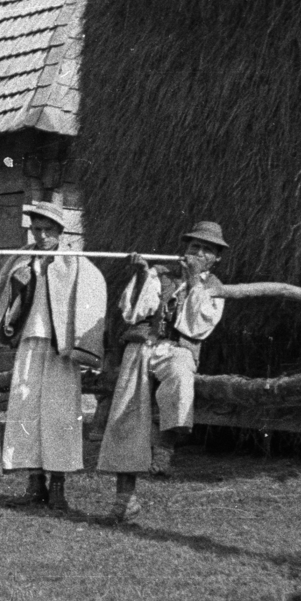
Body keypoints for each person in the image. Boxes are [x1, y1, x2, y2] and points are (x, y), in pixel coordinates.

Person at [0, 200, 107, 511]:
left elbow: (94, 291)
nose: (42, 235)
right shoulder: (23, 259)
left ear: (60, 231)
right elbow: (0, 291)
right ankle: (35, 484)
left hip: (61, 349)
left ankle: (58, 486)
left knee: (58, 414)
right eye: (37, 229)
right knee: (24, 409)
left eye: (48, 230)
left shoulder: (74, 262)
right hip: (29, 344)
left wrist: (84, 343)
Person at [96, 220, 229, 523]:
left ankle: (165, 445)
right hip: (142, 345)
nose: (198, 253)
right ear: (185, 248)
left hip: (177, 349)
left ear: (215, 258)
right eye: (194, 246)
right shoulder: (160, 273)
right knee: (126, 416)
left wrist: (195, 281)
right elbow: (133, 312)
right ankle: (124, 500)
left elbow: (198, 326)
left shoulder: (215, 288)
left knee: (181, 378)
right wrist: (142, 273)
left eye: (206, 250)